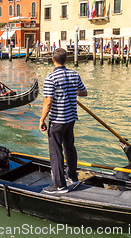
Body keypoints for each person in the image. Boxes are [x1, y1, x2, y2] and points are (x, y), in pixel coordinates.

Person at [39, 48, 88, 194]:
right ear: (66, 60)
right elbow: (84, 92)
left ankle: (59, 185)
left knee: (55, 152)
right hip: (71, 118)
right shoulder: (74, 74)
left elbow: (48, 102)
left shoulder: (50, 78)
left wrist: (42, 119)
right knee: (69, 148)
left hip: (57, 121)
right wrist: (71, 91)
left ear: (53, 60)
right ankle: (72, 177)